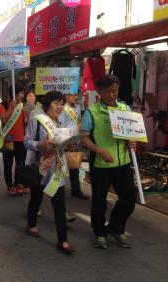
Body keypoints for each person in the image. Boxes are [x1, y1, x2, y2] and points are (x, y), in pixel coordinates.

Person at [81, 75, 137, 250]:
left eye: (115, 91)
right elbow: (83, 138)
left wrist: (132, 141)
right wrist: (98, 150)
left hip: (123, 163)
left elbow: (131, 132)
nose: (112, 95)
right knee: (99, 202)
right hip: (101, 165)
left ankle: (115, 228)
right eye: (107, 92)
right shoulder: (92, 112)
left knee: (129, 200)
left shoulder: (125, 108)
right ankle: (99, 233)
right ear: (99, 92)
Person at [24, 91, 75, 254]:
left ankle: (63, 241)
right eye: (56, 103)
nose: (60, 107)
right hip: (40, 168)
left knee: (59, 205)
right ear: (47, 104)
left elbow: (62, 143)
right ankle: (31, 224)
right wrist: (41, 144)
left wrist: (68, 144)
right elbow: (27, 142)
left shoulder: (61, 123)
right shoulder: (36, 121)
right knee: (36, 199)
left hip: (57, 169)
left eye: (62, 104)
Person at [0, 84, 27, 197]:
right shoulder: (3, 105)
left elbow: (25, 123)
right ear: (14, 94)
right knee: (8, 164)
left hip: (20, 139)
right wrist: (11, 108)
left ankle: (18, 184)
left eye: (23, 93)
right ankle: (10, 186)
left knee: (20, 164)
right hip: (8, 139)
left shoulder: (22, 106)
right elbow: (4, 119)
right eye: (21, 93)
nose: (23, 96)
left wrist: (27, 121)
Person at [59, 94, 88, 200]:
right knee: (60, 166)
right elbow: (60, 125)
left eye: (76, 95)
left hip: (76, 140)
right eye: (73, 95)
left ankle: (76, 190)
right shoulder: (61, 107)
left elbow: (78, 122)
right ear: (66, 95)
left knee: (75, 166)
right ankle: (58, 190)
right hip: (65, 140)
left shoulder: (78, 107)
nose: (75, 97)